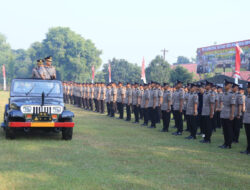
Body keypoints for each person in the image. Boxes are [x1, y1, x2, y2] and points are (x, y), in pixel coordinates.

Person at [219, 79, 235, 149]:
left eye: (226, 85)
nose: (224, 86)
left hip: (228, 114)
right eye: (224, 85)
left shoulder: (232, 95)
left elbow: (233, 105)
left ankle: (229, 144)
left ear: (229, 85)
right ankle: (225, 143)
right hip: (223, 113)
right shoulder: (224, 94)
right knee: (225, 130)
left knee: (229, 130)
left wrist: (232, 115)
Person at [240, 82, 250, 154]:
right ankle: (248, 149)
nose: (247, 89)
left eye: (248, 88)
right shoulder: (247, 96)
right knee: (248, 135)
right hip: (247, 118)